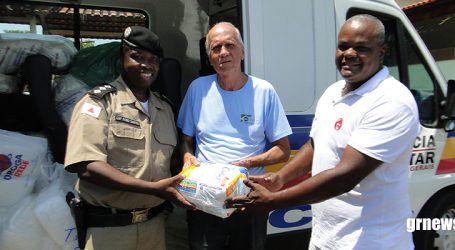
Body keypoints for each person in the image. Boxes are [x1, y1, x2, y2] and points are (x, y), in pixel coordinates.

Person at [226, 14, 420, 250]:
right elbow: (316, 145)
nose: (349, 54)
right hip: (326, 240)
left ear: (382, 51)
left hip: (373, 242)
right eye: (343, 46)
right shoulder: (334, 92)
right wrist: (280, 179)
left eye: (361, 48)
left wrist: (274, 201)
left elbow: (345, 176)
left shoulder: (392, 101)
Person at [64, 26, 194, 250]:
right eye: (138, 57)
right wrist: (152, 189)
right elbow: (87, 166)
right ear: (122, 57)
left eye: (153, 59)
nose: (147, 65)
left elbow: (169, 162)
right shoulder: (98, 102)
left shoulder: (164, 108)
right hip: (109, 230)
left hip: (155, 227)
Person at [177, 22, 292, 250]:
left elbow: (283, 150)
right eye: (216, 48)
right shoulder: (198, 89)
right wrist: (187, 157)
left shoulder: (264, 91)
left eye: (229, 45)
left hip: (248, 197)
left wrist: (248, 163)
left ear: (242, 51)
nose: (223, 53)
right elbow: (186, 141)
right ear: (209, 57)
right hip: (205, 198)